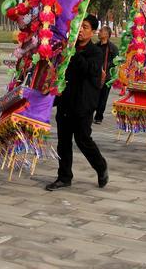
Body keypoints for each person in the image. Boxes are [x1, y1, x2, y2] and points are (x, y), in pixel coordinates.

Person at [46, 14, 108, 191]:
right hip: (65, 102)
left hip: (83, 105)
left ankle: (101, 166)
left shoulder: (95, 52)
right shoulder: (65, 49)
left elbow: (89, 70)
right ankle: (64, 177)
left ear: (93, 32)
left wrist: (72, 53)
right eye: (79, 26)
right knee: (63, 141)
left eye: (85, 27)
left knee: (83, 140)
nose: (81, 30)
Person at [93, 26, 119, 124]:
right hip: (96, 76)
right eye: (99, 31)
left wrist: (107, 68)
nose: (99, 32)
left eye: (101, 31)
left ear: (107, 35)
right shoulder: (96, 46)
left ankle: (99, 117)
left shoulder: (113, 48)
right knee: (93, 96)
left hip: (107, 77)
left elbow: (116, 62)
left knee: (103, 98)